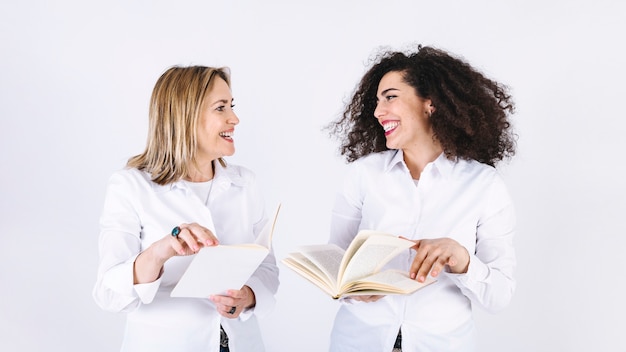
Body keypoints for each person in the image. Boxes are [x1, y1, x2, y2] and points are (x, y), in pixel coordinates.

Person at [325, 44, 517, 352]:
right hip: (359, 341)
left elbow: (500, 295)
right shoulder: (363, 176)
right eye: (376, 101)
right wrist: (353, 288)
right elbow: (335, 263)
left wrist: (463, 260)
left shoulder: (484, 186)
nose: (377, 111)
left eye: (390, 97)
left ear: (430, 103)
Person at [93, 65, 279, 352]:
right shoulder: (130, 185)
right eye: (221, 108)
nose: (235, 118)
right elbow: (109, 294)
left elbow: (266, 267)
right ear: (185, 116)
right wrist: (160, 252)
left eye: (232, 106)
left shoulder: (246, 184)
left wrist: (249, 296)